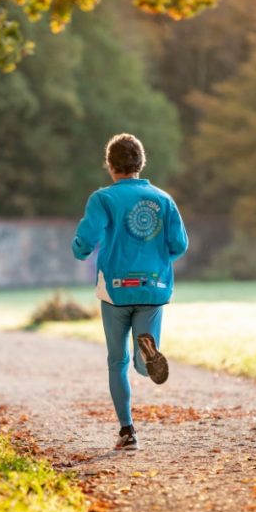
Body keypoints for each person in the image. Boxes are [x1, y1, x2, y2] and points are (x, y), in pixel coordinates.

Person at [71, 133, 189, 451]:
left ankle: (128, 431)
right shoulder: (163, 199)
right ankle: (146, 352)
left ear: (110, 165)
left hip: (116, 289)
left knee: (116, 361)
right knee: (140, 364)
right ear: (140, 163)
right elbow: (179, 244)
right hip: (153, 287)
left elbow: (87, 237)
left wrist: (80, 250)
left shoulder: (103, 199)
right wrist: (156, 258)